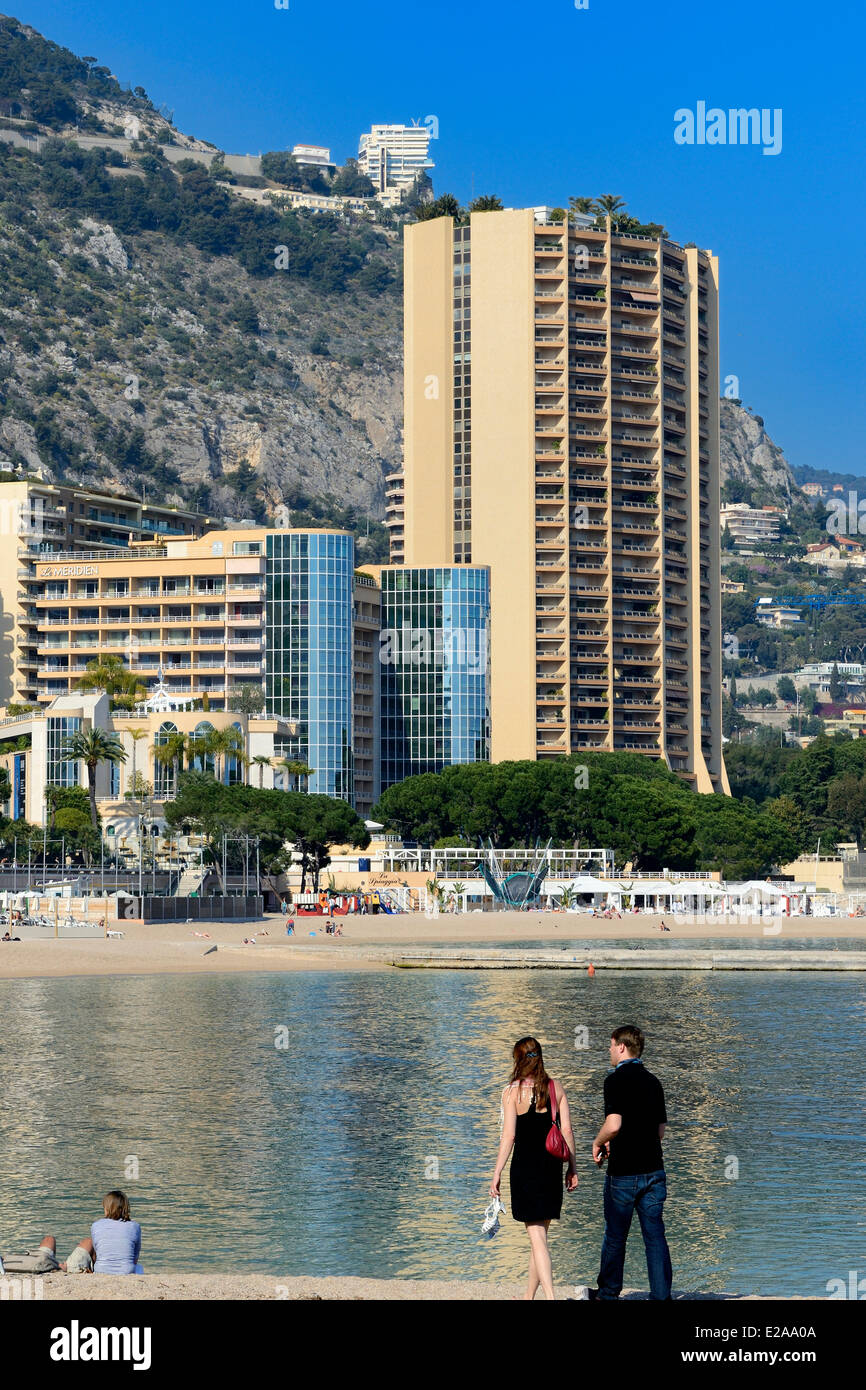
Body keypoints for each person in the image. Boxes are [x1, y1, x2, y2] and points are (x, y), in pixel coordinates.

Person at [586, 1025, 671, 1301]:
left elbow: (614, 1124)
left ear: (621, 1046)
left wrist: (599, 1141)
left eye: (611, 1045)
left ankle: (609, 1293)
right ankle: (661, 1296)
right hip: (654, 1170)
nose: (609, 1050)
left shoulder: (614, 1081)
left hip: (623, 1173)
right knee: (655, 1237)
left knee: (615, 1236)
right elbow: (659, 1132)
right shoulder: (654, 1082)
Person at [489, 1036, 578, 1300]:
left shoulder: (512, 1092)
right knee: (539, 1238)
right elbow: (567, 1131)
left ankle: (550, 1297)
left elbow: (508, 1136)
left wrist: (496, 1173)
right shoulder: (555, 1087)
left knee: (537, 1238)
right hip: (551, 1168)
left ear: (518, 1060)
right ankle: (529, 1297)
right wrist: (572, 1168)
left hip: (525, 1170)